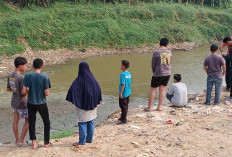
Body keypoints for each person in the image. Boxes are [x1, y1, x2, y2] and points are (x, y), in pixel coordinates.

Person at [66, 61, 102, 147]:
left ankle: (82, 142)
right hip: (93, 105)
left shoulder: (78, 80)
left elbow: (72, 91)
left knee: (82, 123)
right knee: (91, 121)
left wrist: (75, 100)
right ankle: (89, 139)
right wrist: (97, 101)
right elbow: (98, 89)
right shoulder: (93, 79)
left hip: (81, 106)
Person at [22, 58, 52, 149]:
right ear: (42, 67)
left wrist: (29, 91)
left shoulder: (27, 76)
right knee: (46, 121)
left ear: (32, 66)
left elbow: (23, 92)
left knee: (32, 122)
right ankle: (46, 142)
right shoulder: (45, 77)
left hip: (30, 102)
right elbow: (47, 93)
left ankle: (34, 143)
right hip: (41, 103)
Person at [145, 38, 172, 111]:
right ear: (167, 45)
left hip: (158, 73)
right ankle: (159, 107)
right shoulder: (169, 52)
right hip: (167, 73)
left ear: (159, 44)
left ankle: (149, 108)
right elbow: (169, 62)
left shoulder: (156, 53)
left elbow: (153, 64)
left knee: (153, 90)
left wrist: (154, 72)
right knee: (162, 90)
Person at [7, 57, 29, 147]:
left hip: (14, 101)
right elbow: (23, 93)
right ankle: (21, 140)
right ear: (20, 66)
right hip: (22, 102)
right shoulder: (21, 77)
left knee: (15, 120)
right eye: (24, 65)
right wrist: (29, 90)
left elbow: (8, 88)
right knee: (28, 120)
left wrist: (15, 90)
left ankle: (17, 140)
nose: (25, 67)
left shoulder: (10, 75)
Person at [118, 60, 132, 124]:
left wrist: (121, 93)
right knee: (125, 105)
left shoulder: (123, 74)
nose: (120, 66)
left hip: (124, 93)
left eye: (121, 65)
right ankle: (122, 117)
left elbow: (123, 84)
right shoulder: (129, 74)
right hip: (128, 92)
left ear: (123, 66)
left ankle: (124, 120)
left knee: (123, 106)